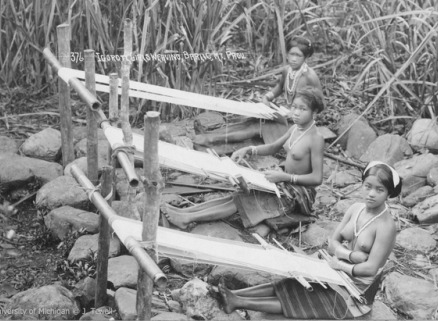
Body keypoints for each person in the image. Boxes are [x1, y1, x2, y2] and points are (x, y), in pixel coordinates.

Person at [214, 161, 402, 319]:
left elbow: (369, 268)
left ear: (388, 194)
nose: (371, 193)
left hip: (357, 289)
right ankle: (235, 294)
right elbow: (332, 243)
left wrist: (341, 265)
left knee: (309, 298)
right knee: (295, 281)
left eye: (379, 190)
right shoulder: (356, 209)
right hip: (336, 267)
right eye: (368, 187)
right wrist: (350, 256)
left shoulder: (386, 227)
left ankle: (238, 302)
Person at [164, 87, 325, 229]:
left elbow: (317, 178)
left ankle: (188, 218)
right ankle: (183, 212)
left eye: (302, 109)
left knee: (245, 200)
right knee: (238, 194)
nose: (296, 112)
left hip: (297, 194)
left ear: (314, 113)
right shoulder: (295, 129)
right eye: (294, 107)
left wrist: (285, 177)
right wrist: (249, 149)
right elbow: (273, 147)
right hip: (282, 182)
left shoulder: (316, 139)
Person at [193, 36, 321, 146]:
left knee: (257, 127)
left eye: (298, 55)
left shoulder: (310, 76)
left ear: (305, 58)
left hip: (297, 123)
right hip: (284, 115)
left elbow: (320, 104)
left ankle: (211, 139)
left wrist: (300, 114)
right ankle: (209, 135)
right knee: (252, 120)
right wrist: (267, 98)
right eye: (291, 54)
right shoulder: (287, 70)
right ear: (287, 54)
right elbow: (279, 87)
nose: (293, 59)